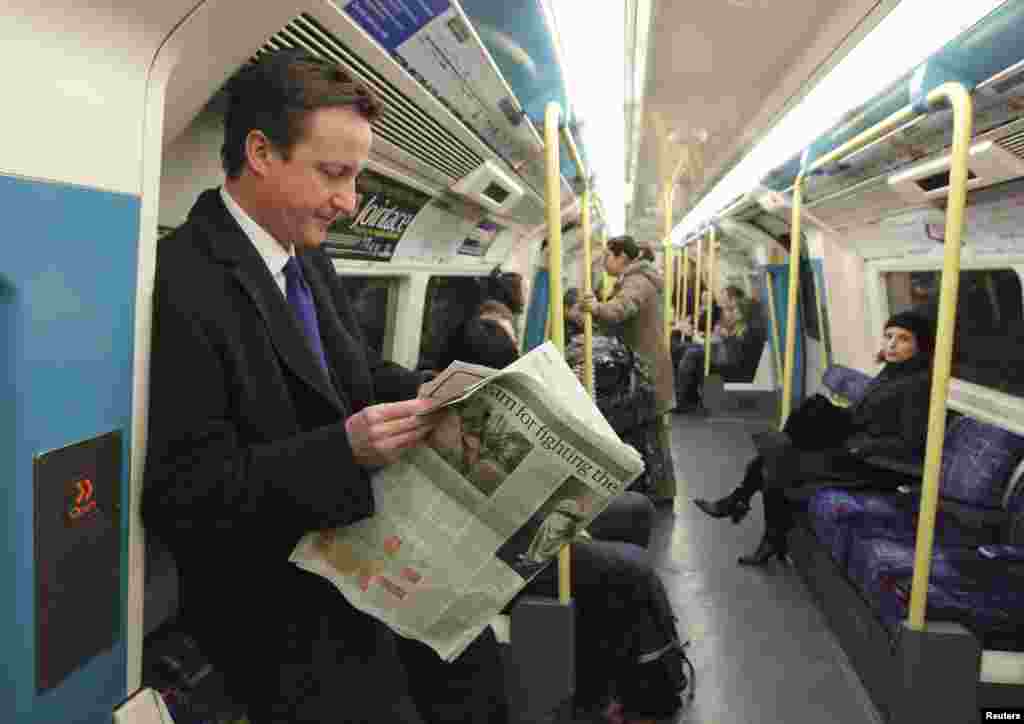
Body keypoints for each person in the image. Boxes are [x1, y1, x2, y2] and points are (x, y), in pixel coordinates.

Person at [141, 49, 507, 723]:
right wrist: (345, 451)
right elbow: (184, 491)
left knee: (476, 655)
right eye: (334, 174)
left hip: (349, 552)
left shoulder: (305, 258)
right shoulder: (184, 280)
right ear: (260, 152)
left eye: (356, 176)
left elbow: (357, 372)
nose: (350, 200)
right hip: (269, 597)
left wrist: (443, 392)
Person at [693, 310, 936, 565]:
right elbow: (866, 415)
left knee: (776, 462)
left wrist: (857, 446)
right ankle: (760, 526)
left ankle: (745, 511)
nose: (892, 344)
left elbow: (909, 442)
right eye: (888, 336)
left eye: (904, 339)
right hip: (856, 449)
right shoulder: (890, 373)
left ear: (920, 346)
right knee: (794, 434)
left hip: (875, 464)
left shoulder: (918, 385)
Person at [569, 235, 677, 503]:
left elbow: (620, 311)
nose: (604, 261)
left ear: (622, 258)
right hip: (646, 367)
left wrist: (595, 307)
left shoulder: (637, 282)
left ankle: (657, 492)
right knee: (651, 431)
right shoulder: (639, 279)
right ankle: (657, 490)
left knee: (650, 431)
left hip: (646, 370)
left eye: (607, 256)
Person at [674, 285, 750, 411]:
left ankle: (681, 399)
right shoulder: (729, 318)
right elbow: (721, 336)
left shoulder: (739, 323)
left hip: (725, 356)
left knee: (692, 353)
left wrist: (699, 336)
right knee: (683, 349)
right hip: (720, 350)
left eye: (723, 295)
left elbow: (730, 343)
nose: (719, 297)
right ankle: (686, 397)